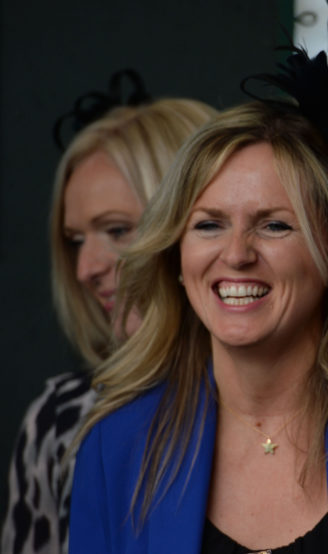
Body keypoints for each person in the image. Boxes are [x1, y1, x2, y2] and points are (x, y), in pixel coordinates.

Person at [68, 63, 328, 552]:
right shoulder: (115, 446)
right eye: (209, 225)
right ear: (175, 256)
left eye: (273, 225)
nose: (236, 255)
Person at [2, 90, 217, 554]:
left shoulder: (314, 406)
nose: (85, 269)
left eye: (117, 229)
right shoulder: (65, 419)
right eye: (75, 240)